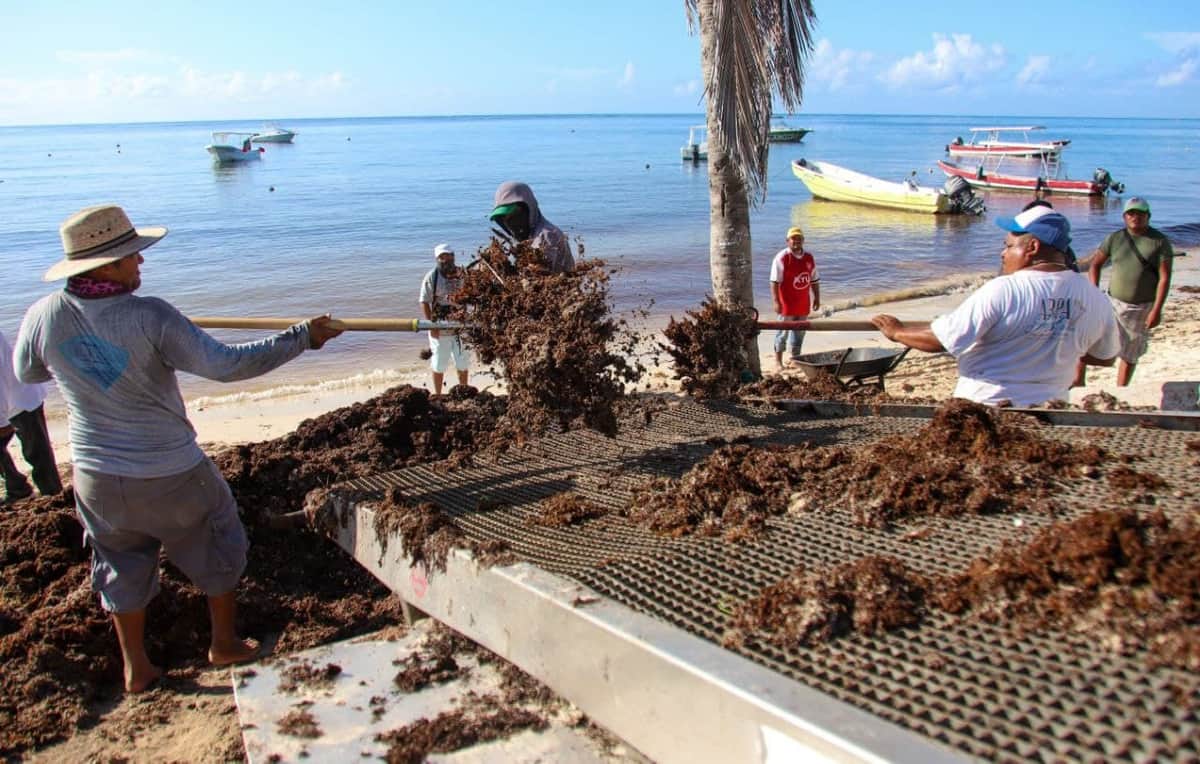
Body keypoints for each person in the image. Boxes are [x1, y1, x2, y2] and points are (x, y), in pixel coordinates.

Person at [13, 204, 343, 693]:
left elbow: (29, 372)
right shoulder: (150, 316)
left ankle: (136, 669)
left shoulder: (43, 315)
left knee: (119, 561)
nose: (141, 264)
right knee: (217, 536)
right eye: (131, 257)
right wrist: (301, 338)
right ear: (104, 266)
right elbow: (227, 366)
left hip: (97, 479)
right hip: (170, 471)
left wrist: (83, 365)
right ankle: (224, 643)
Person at [871, 206, 1119, 407]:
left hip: (985, 409)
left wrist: (897, 331)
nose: (1003, 254)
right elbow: (1105, 357)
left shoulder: (1004, 289)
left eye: (1010, 246)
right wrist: (1059, 340)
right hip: (1052, 411)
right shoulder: (1095, 297)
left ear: (1032, 248)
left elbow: (943, 339)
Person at [1078, 196, 1173, 387]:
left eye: (1140, 214)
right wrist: (1094, 293)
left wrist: (1156, 310)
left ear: (1148, 216)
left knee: (1131, 351)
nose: (1135, 217)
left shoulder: (1159, 242)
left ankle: (1122, 388)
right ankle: (1079, 381)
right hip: (1112, 303)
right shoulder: (1115, 238)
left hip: (1142, 307)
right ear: (1124, 217)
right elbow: (1094, 265)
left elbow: (1164, 278)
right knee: (1088, 339)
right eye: (1131, 213)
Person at [0, 328, 62, 503]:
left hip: (22, 399)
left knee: (36, 452)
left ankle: (53, 495)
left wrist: (2, 421)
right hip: (6, 400)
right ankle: (18, 488)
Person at [489, 181, 574, 273]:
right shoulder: (531, 236)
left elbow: (539, 277)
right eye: (504, 219)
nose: (510, 223)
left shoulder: (546, 236)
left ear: (528, 209)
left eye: (513, 216)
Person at [419, 243, 470, 395]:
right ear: (437, 259)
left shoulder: (463, 274)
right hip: (439, 328)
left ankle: (464, 391)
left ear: (453, 257)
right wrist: (431, 325)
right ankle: (438, 395)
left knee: (463, 363)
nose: (446, 259)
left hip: (461, 326)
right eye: (442, 257)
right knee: (439, 365)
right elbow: (424, 301)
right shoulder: (432, 277)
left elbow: (473, 296)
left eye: (448, 256)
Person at [769, 226, 820, 370]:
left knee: (800, 332)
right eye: (793, 238)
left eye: (799, 238)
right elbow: (774, 281)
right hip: (786, 304)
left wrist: (817, 298)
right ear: (787, 241)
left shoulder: (809, 257)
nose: (796, 241)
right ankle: (778, 361)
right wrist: (776, 301)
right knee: (782, 332)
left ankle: (795, 359)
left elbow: (814, 279)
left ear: (803, 240)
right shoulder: (782, 258)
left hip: (803, 303)